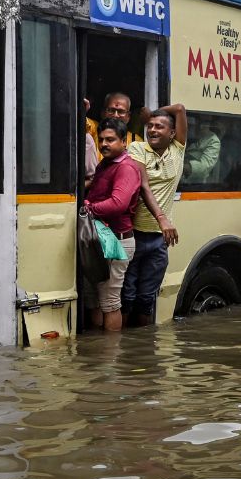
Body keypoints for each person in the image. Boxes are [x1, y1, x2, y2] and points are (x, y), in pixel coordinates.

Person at [123, 104, 187, 326]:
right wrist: (162, 218)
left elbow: (179, 108)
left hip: (159, 241)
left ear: (172, 134)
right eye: (149, 126)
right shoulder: (137, 148)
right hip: (133, 235)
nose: (152, 130)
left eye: (159, 127)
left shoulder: (178, 150)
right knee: (126, 297)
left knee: (147, 299)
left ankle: (143, 351)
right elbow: (143, 185)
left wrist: (153, 113)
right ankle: (118, 351)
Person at [84, 118, 141, 332]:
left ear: (123, 142)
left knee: (109, 302)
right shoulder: (104, 165)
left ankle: (111, 356)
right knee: (94, 299)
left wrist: (88, 207)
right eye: (101, 140)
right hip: (99, 239)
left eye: (111, 139)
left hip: (117, 241)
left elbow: (118, 203)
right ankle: (98, 355)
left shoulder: (126, 167)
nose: (104, 144)